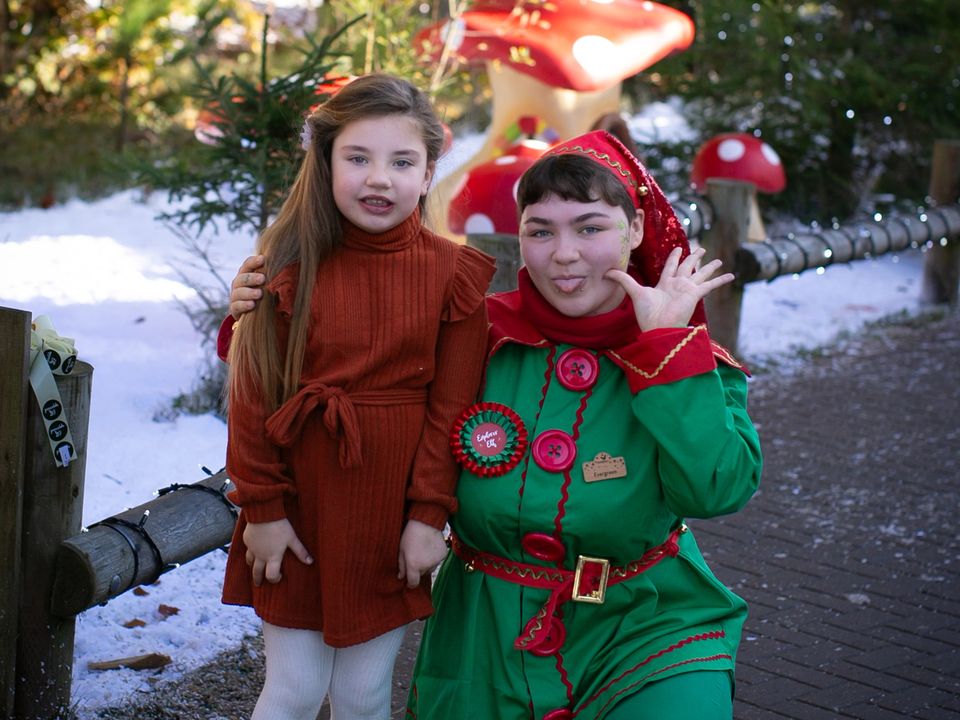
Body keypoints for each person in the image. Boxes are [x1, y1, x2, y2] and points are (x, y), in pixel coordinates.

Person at [225, 130, 762, 719]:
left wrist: (664, 351)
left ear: (633, 230)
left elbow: (718, 490)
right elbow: (343, 364)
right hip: (485, 639)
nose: (564, 253)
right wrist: (256, 315)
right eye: (540, 230)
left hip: (644, 627)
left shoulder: (685, 355)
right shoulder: (474, 333)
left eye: (590, 227)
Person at [221, 72, 495, 720]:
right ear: (326, 162)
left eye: (402, 162)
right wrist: (262, 510)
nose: (380, 178)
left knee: (362, 694)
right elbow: (253, 395)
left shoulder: (453, 275)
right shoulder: (287, 261)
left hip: (389, 516)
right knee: (292, 688)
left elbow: (451, 410)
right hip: (296, 508)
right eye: (358, 158)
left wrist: (429, 518)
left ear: (429, 173)